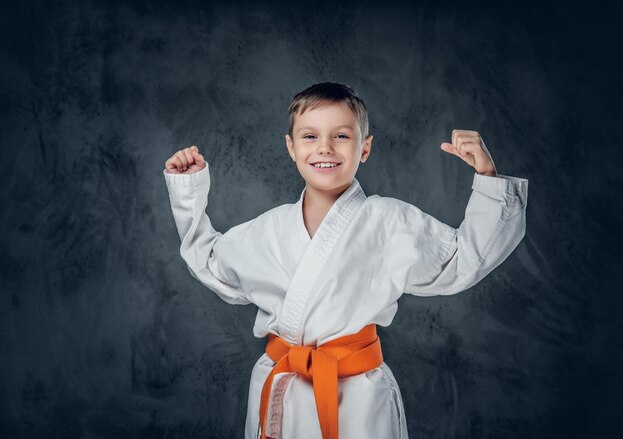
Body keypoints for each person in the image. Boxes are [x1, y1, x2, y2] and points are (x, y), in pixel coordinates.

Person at [163, 82, 528, 439]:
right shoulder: (268, 229)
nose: (325, 147)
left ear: (364, 148)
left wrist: (487, 178)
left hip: (358, 395)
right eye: (309, 136)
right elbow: (210, 261)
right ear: (290, 147)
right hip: (282, 386)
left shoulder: (389, 222)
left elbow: (464, 258)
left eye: (341, 136)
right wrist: (189, 193)